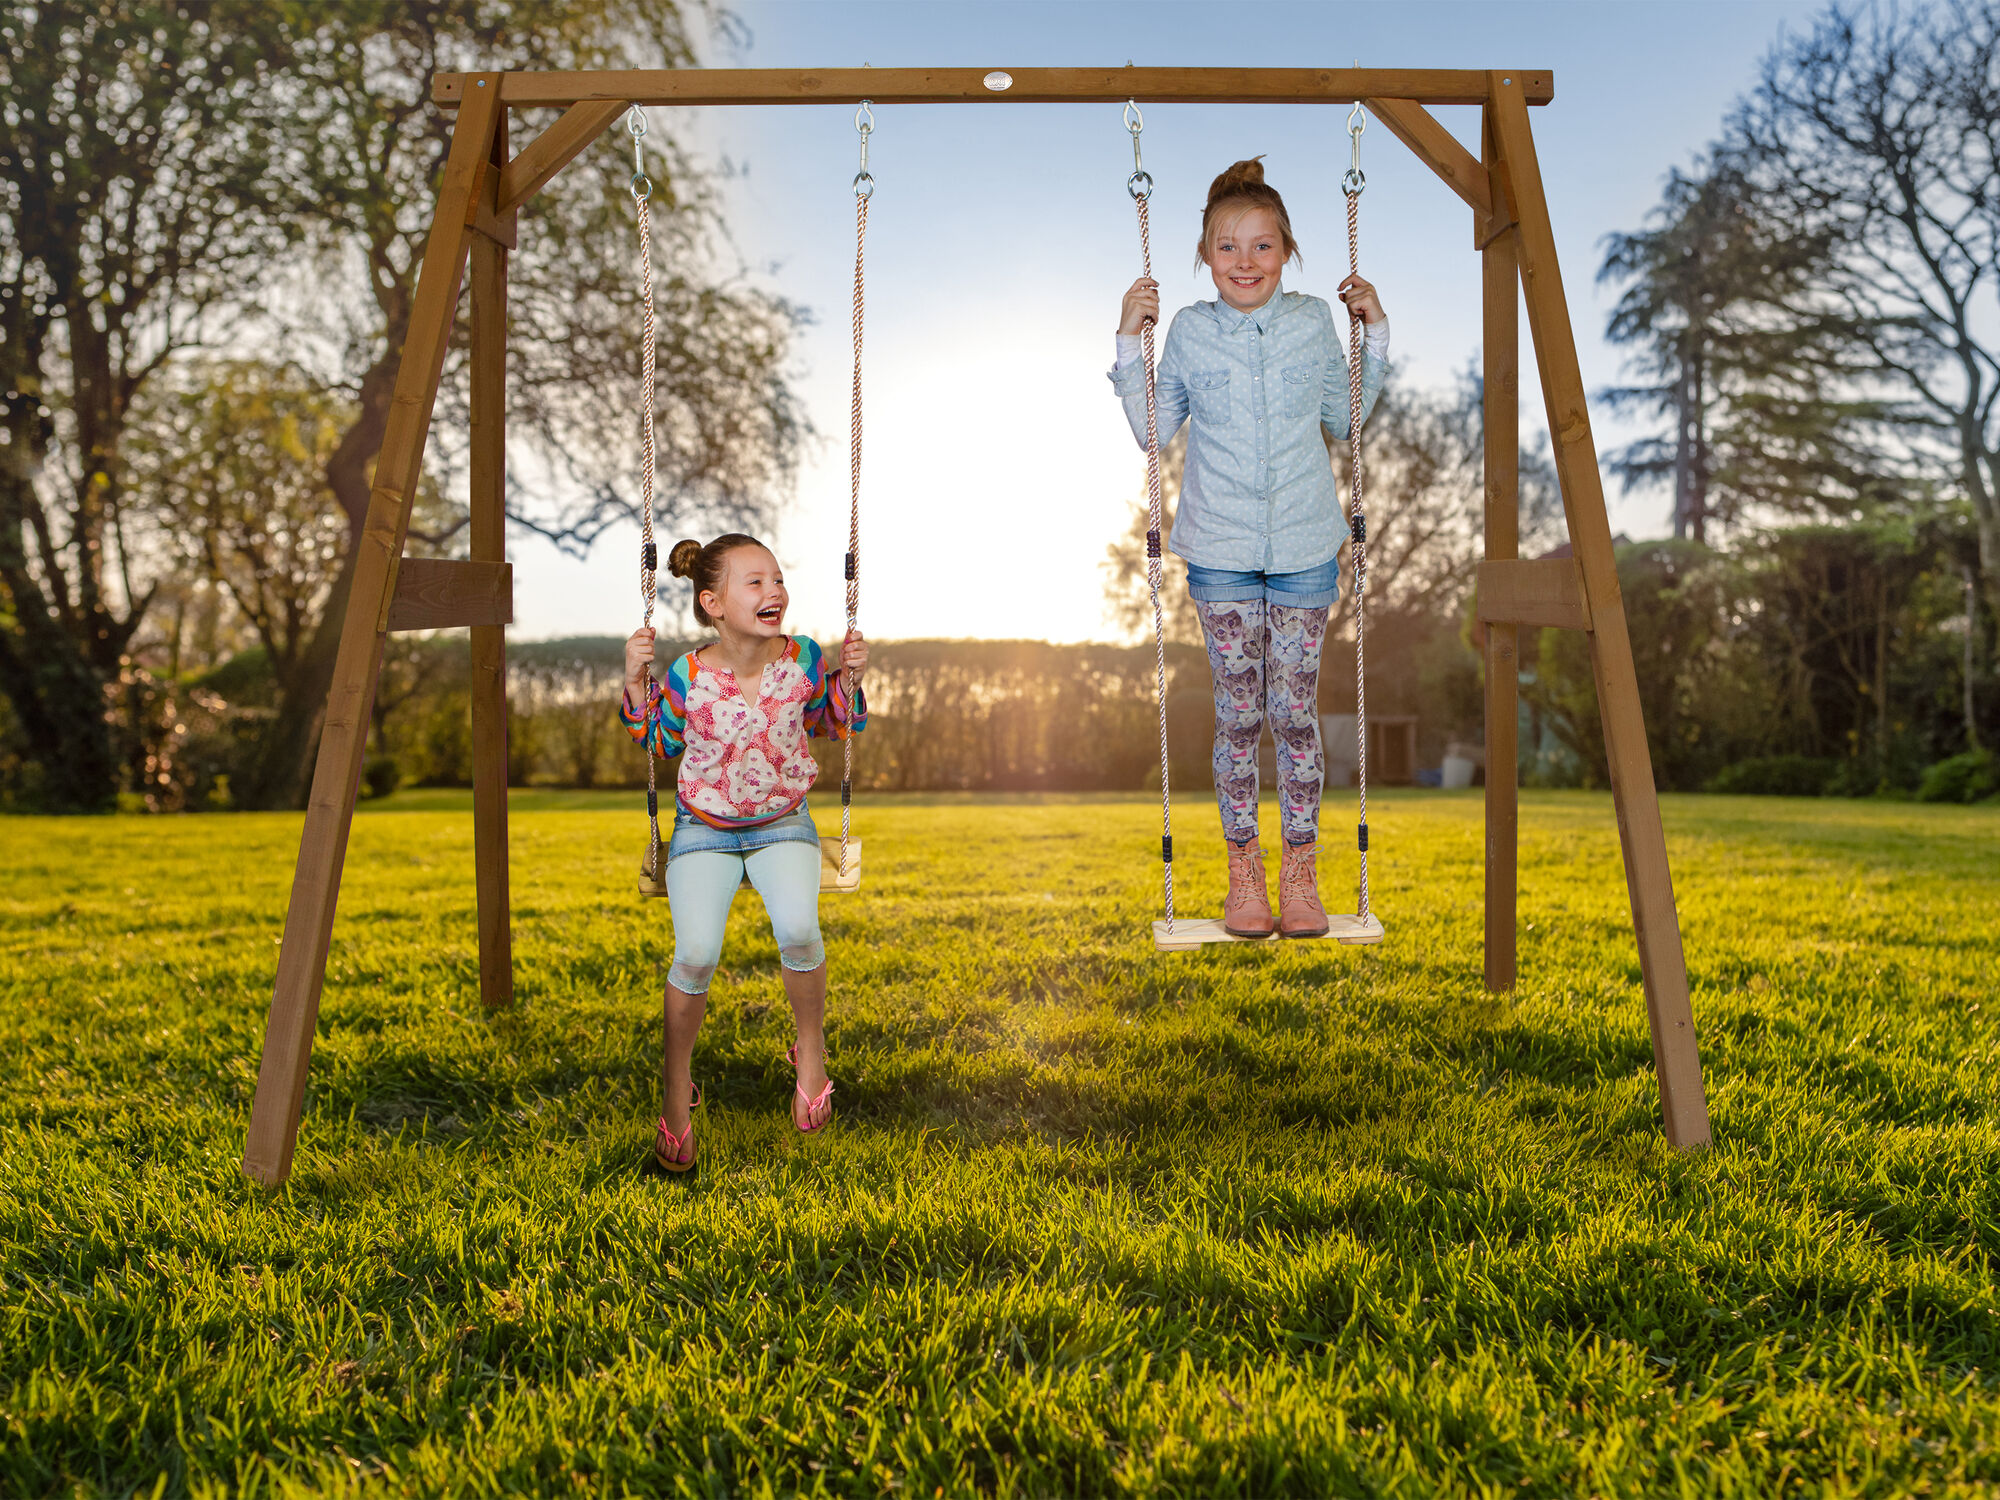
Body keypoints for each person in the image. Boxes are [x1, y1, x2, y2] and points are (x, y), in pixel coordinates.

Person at [1110, 156, 1387, 939]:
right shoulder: (1190, 332)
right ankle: (1245, 877)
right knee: (1238, 717)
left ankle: (1302, 874)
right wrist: (1130, 340)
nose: (1244, 261)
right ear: (1204, 256)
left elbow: (1348, 420)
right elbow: (1151, 429)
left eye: (1261, 246)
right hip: (1221, 551)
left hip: (1304, 546)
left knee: (1294, 715)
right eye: (1227, 247)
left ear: (1287, 252)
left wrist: (1377, 330)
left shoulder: (1311, 320)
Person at [621, 533, 868, 1172]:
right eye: (754, 582)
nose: (774, 592)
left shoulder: (805, 659)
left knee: (800, 930)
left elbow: (833, 722)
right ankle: (678, 1087)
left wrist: (852, 680)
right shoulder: (686, 675)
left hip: (784, 820)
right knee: (697, 953)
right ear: (713, 604)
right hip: (703, 828)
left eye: (777, 579)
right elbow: (655, 738)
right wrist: (633, 677)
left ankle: (808, 1051)